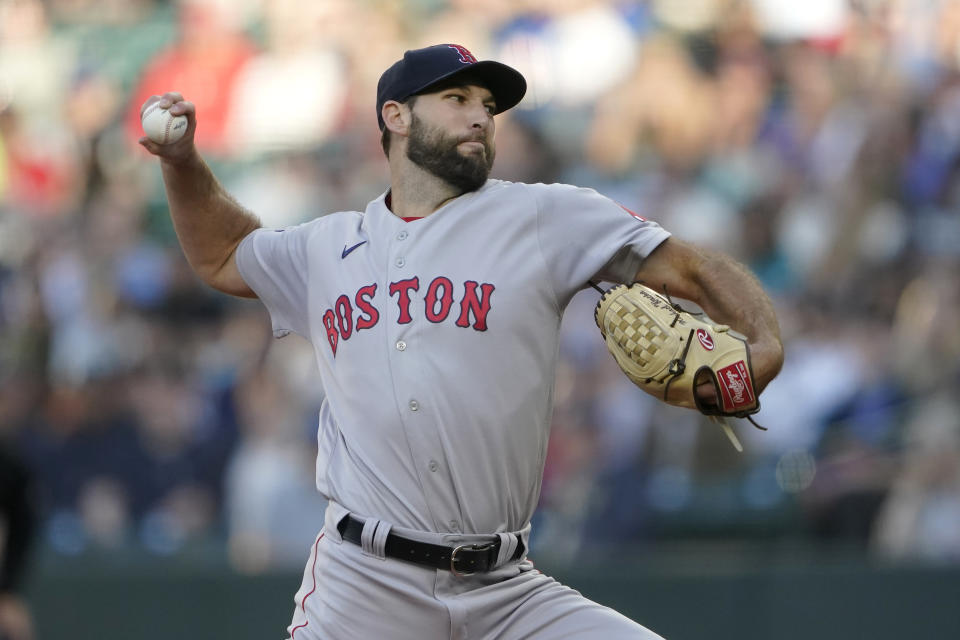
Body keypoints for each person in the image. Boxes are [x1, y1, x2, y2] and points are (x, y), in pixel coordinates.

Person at [140, 43, 783, 640]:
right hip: (364, 589)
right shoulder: (326, 247)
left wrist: (763, 345)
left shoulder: (543, 217)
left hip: (507, 592)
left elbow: (693, 269)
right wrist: (182, 163)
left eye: (488, 105)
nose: (480, 116)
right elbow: (224, 253)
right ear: (395, 116)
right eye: (457, 99)